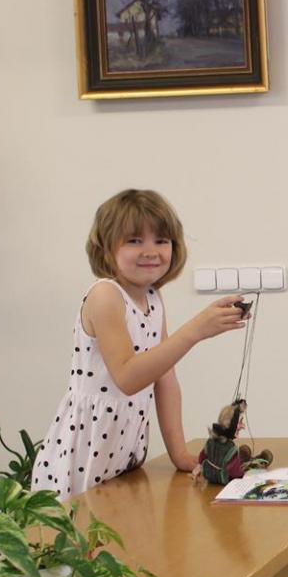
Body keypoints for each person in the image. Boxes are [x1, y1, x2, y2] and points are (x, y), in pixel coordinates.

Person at [31, 189, 248, 500]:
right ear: (106, 247)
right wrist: (195, 331)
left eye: (161, 240)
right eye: (134, 241)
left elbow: (165, 378)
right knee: (81, 529)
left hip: (121, 454)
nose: (150, 251)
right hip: (83, 455)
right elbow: (128, 377)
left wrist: (179, 455)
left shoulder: (152, 298)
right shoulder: (105, 295)